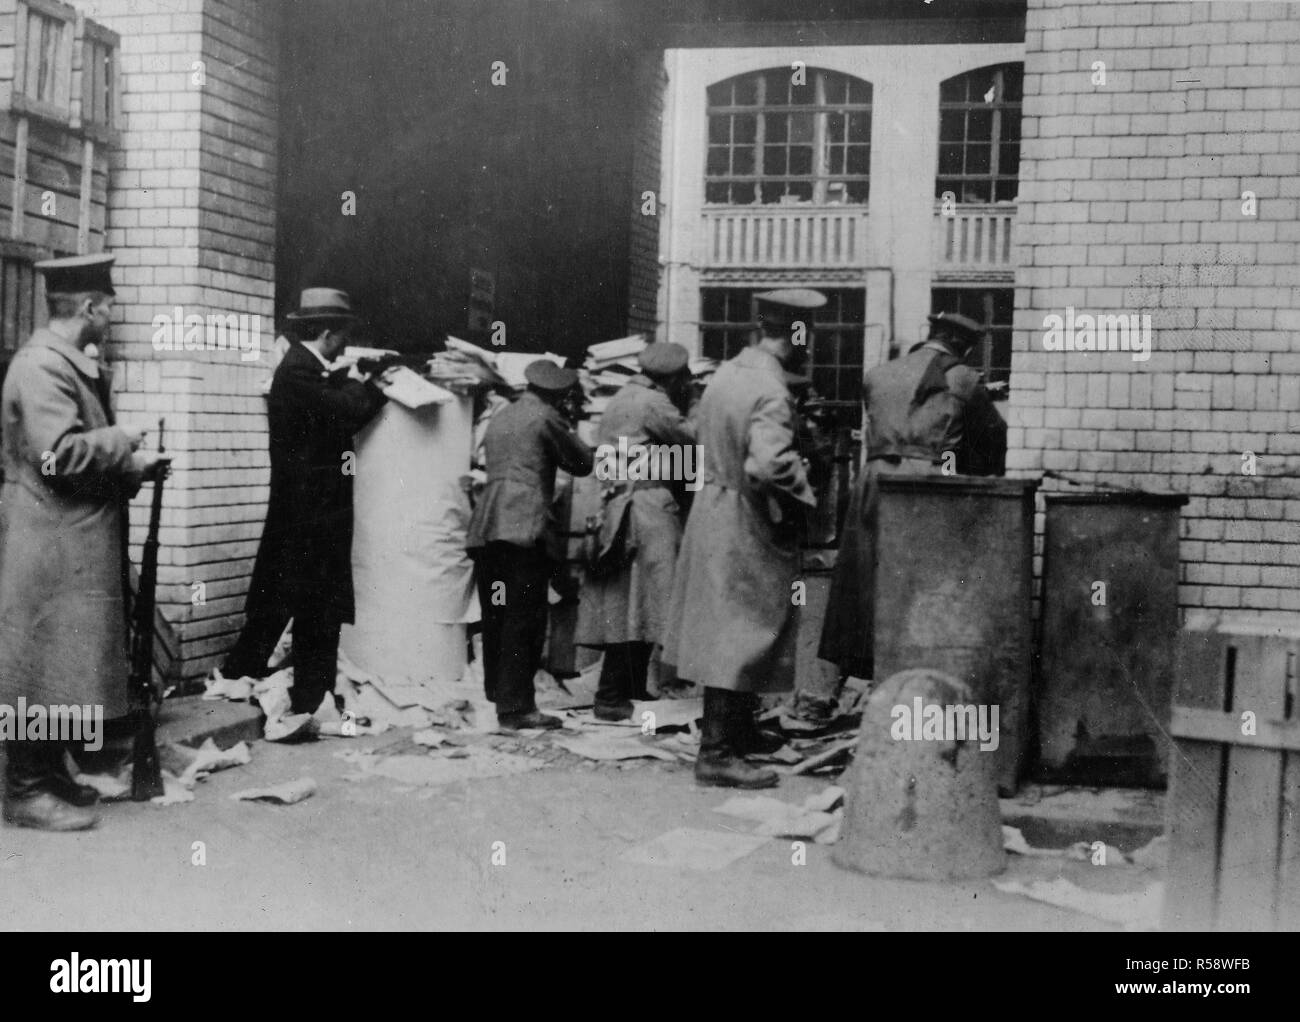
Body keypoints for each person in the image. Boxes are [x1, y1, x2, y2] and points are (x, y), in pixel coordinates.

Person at [0, 254, 169, 831]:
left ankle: (49, 777)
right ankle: (23, 790)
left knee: (60, 668)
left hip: (66, 540)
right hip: (51, 545)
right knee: (36, 667)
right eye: (110, 304)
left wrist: (134, 467)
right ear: (90, 307)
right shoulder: (43, 365)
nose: (113, 314)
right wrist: (122, 442)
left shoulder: (63, 363)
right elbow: (57, 455)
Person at [662, 289, 822, 788]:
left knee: (727, 623)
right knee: (741, 628)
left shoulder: (728, 375)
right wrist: (804, 503)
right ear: (796, 334)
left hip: (712, 507)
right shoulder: (771, 391)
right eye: (806, 336)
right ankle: (716, 753)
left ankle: (739, 733)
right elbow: (769, 464)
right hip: (745, 517)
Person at [816, 311, 1008, 689]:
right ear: (962, 345)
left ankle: (855, 675)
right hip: (928, 485)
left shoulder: (877, 374)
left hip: (874, 481)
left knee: (865, 578)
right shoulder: (965, 379)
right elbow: (993, 438)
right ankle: (913, 678)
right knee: (923, 582)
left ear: (930, 335)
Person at [221, 288, 388, 720]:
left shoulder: (303, 368)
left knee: (283, 598)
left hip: (304, 512)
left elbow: (332, 401)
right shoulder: (298, 373)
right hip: (311, 514)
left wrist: (349, 376)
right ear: (329, 334)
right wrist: (369, 382)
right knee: (317, 605)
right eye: (344, 336)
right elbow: (347, 410)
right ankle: (311, 696)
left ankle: (245, 673)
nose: (347, 343)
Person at [467, 360, 594, 730]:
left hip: (488, 526)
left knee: (497, 612)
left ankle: (499, 694)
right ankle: (517, 708)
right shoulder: (546, 418)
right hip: (522, 527)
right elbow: (581, 462)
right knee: (525, 616)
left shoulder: (502, 416)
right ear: (558, 395)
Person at [574, 342, 695, 720]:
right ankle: (611, 697)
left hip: (618, 504)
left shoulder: (620, 398)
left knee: (630, 601)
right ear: (674, 377)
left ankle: (630, 688)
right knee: (642, 601)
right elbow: (692, 442)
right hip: (647, 507)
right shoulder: (654, 404)